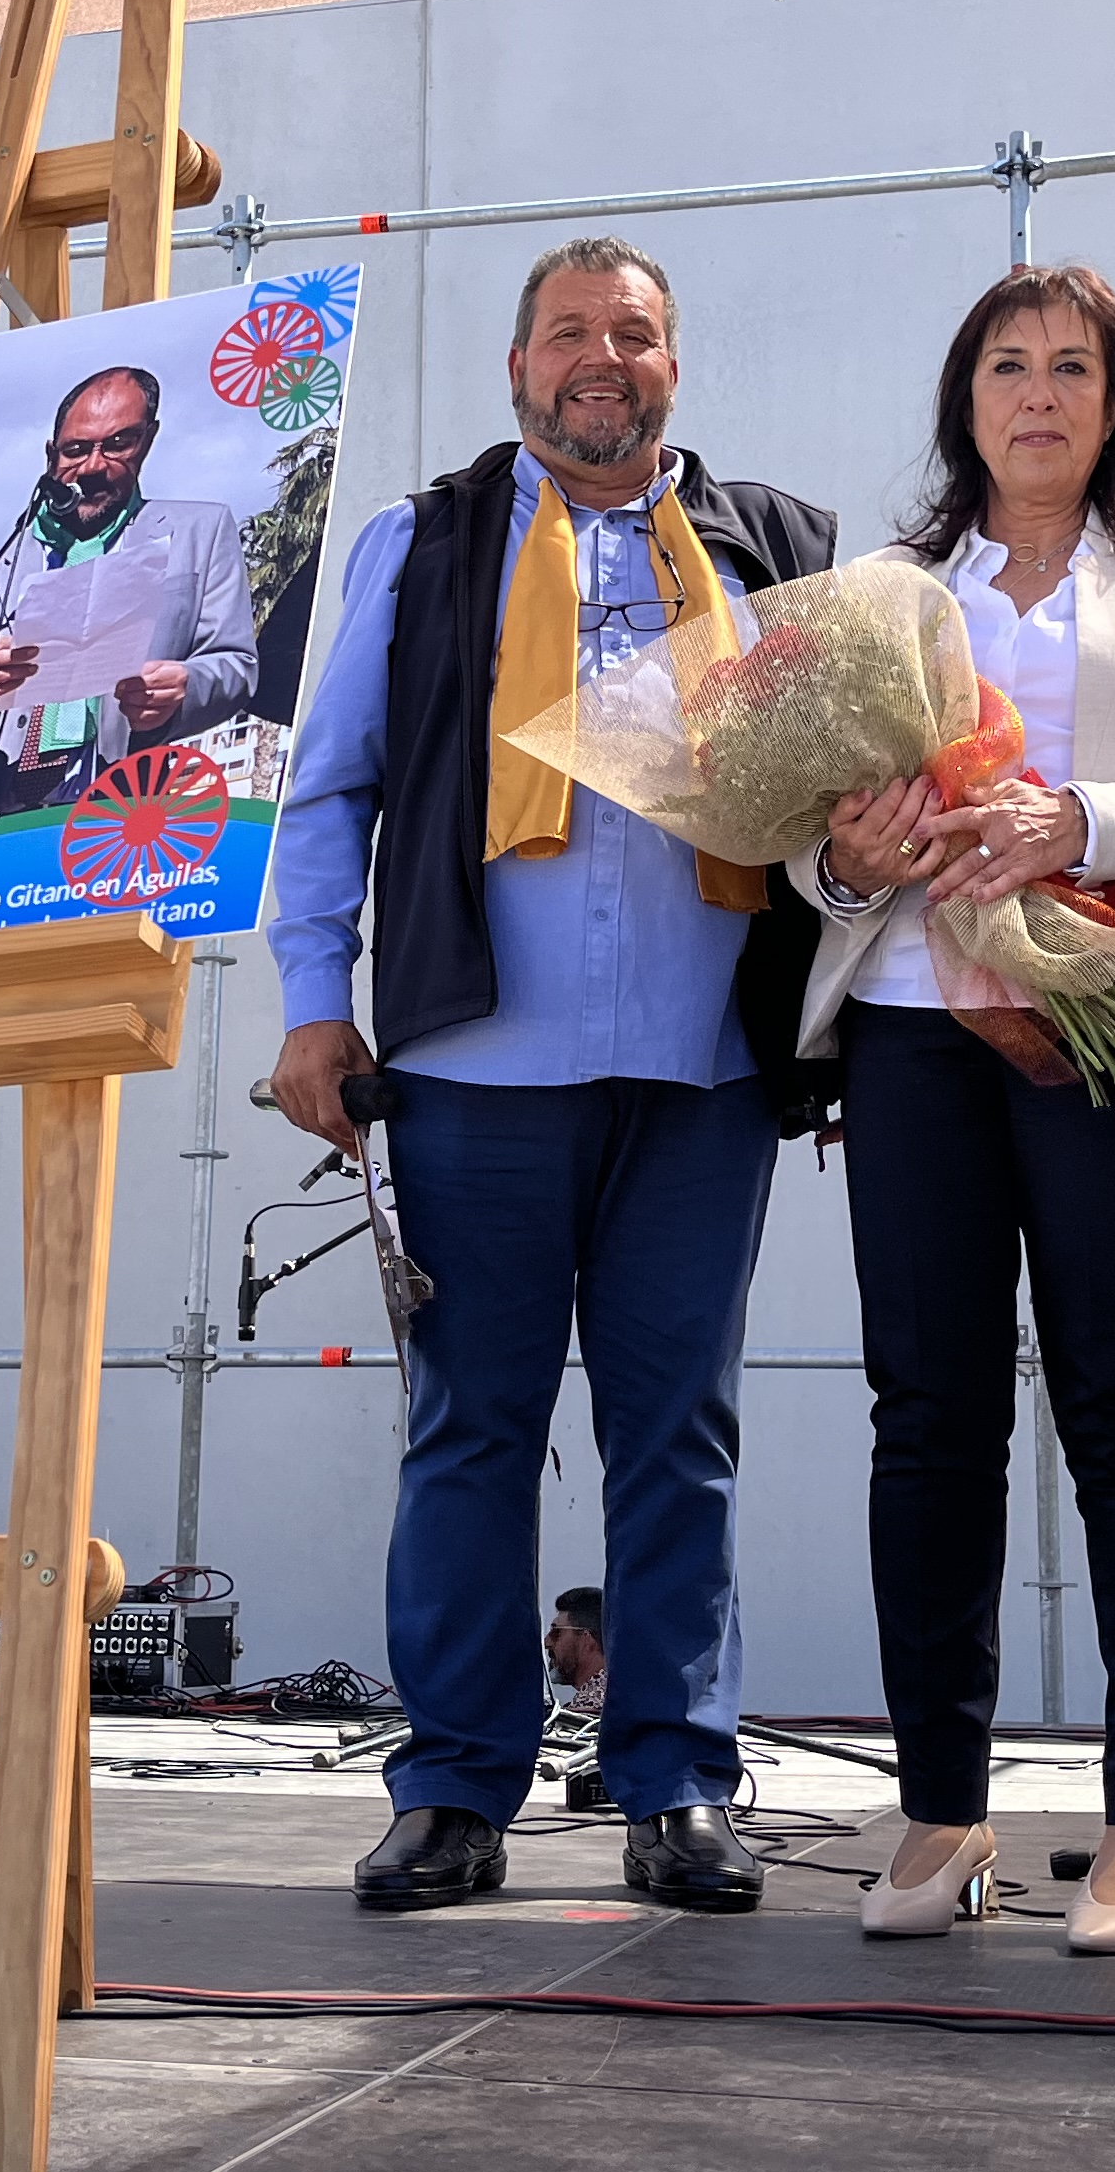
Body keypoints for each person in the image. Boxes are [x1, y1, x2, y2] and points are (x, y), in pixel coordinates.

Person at [267, 236, 836, 1915]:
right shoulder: (421, 540)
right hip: (472, 1067)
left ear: (675, 363)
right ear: (517, 367)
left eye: (636, 332)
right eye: (571, 333)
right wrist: (315, 1002)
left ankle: (674, 1779)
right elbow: (331, 793)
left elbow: (838, 802)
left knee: (681, 1434)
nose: (604, 357)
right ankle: (451, 1787)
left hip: (703, 1064)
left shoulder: (775, 548)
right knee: (469, 1433)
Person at [791, 263, 1115, 1954]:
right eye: (1007, 365)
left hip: (1101, 1020)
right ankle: (942, 1810)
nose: (1038, 394)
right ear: (963, 398)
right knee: (927, 1415)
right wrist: (839, 853)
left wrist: (1069, 817)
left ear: (1114, 400)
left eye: (1072, 367)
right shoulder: (879, 584)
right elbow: (809, 836)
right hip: (911, 1031)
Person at [0, 362, 254, 834]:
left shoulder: (202, 533)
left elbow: (235, 665)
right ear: (51, 455)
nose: (93, 465)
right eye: (75, 450)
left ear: (148, 441)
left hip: (120, 829)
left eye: (118, 444)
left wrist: (183, 688)